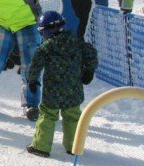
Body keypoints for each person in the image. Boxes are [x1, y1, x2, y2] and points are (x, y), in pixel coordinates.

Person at [25, 11, 98, 157]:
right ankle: (74, 146)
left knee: (47, 115)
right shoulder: (76, 42)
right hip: (74, 90)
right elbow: (91, 53)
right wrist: (89, 71)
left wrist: (32, 80)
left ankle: (41, 146)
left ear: (46, 31)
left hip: (52, 91)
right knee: (73, 116)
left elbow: (35, 65)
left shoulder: (46, 47)